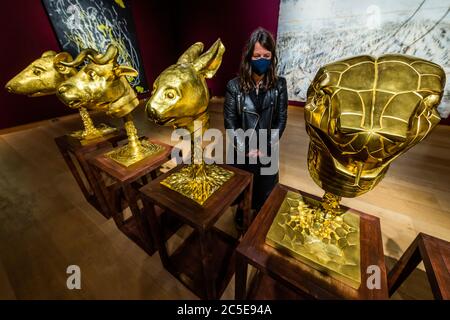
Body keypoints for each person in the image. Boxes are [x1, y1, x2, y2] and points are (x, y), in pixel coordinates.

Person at [224, 27, 288, 226]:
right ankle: (243, 214)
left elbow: (281, 119)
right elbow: (230, 122)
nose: (262, 59)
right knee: (243, 190)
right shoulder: (234, 86)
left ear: (272, 57)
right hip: (242, 151)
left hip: (267, 148)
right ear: (249, 56)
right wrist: (245, 148)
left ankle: (260, 216)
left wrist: (266, 146)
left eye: (266, 55)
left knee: (265, 192)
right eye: (257, 55)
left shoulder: (280, 85)